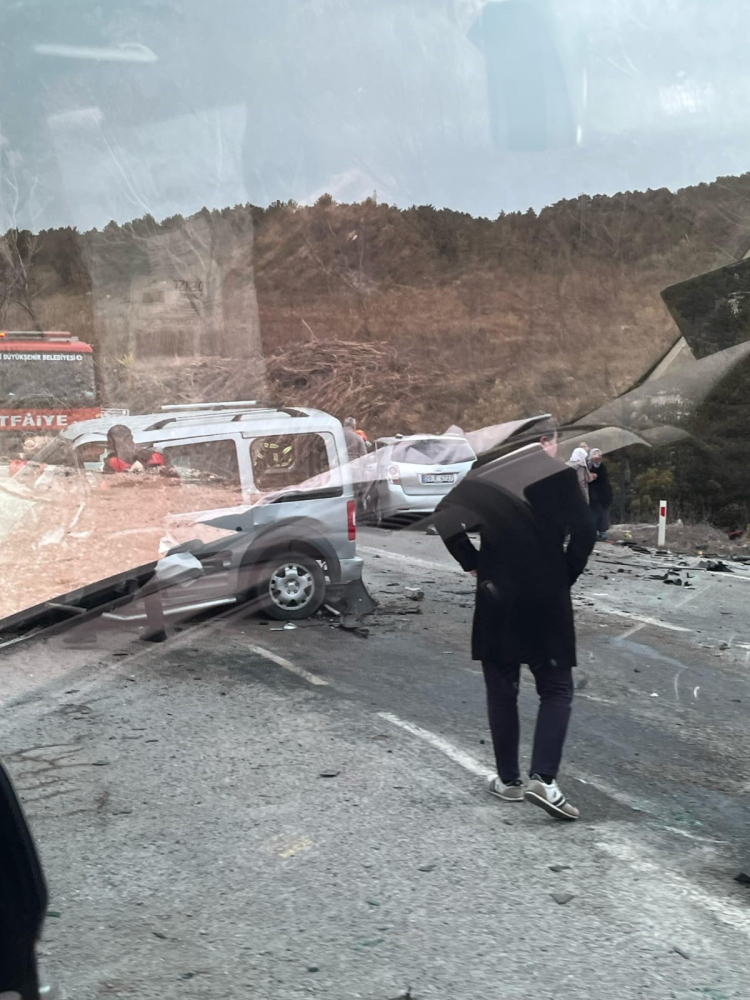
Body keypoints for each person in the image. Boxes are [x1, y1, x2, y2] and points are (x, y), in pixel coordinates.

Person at [434, 420, 596, 821]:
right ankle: (544, 778)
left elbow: (445, 518)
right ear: (544, 442)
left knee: (502, 688)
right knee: (556, 688)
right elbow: (586, 530)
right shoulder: (559, 477)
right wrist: (565, 574)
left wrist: (472, 561)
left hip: (497, 595)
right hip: (546, 597)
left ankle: (508, 781)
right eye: (555, 442)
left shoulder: (485, 477)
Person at [587, 448, 612, 540]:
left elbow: (604, 480)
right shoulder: (587, 465)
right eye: (595, 454)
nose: (597, 457)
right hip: (590, 493)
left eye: (598, 455)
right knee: (593, 513)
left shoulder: (602, 467)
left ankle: (602, 532)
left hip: (601, 494)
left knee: (601, 513)